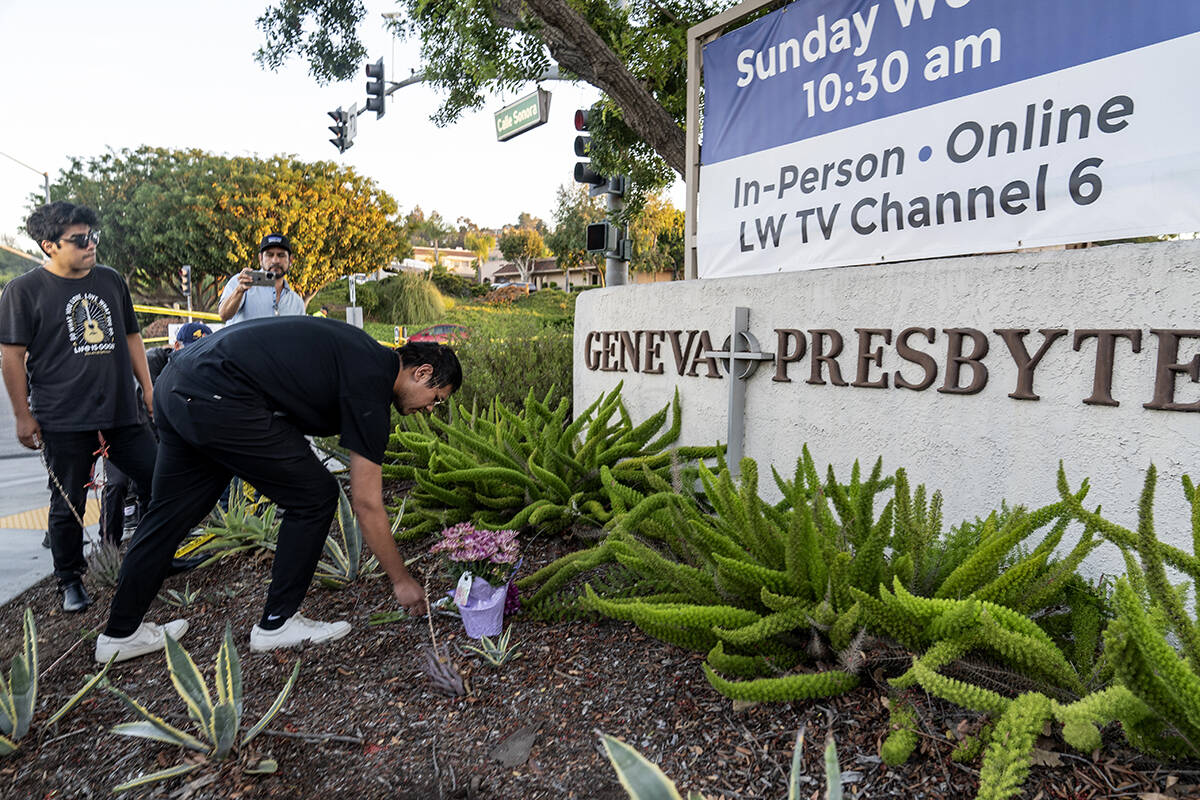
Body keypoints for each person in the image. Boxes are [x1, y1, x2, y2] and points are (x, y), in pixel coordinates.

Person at [95, 316, 462, 662]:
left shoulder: (360, 355)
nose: (431, 409)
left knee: (168, 515)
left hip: (180, 380)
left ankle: (120, 635)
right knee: (315, 495)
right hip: (216, 394)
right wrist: (401, 580)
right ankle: (278, 623)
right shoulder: (372, 381)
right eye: (437, 398)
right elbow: (366, 503)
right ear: (422, 372)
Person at [0, 202, 157, 612]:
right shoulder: (24, 291)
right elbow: (11, 356)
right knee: (67, 501)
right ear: (48, 245)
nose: (91, 245)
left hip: (123, 411)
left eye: (93, 236)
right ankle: (69, 580)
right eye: (80, 239)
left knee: (158, 478)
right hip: (64, 416)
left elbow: (131, 336)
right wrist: (22, 414)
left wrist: (149, 389)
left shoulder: (110, 280)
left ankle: (157, 555)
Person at [100, 321, 212, 544]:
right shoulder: (153, 362)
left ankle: (151, 542)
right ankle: (108, 546)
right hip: (124, 426)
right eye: (190, 349)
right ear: (176, 345)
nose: (195, 356)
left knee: (157, 484)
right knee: (117, 483)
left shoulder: (199, 370)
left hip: (156, 431)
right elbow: (145, 406)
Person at [217, 233, 305, 324]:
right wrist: (239, 290)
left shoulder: (297, 303)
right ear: (260, 259)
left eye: (281, 255)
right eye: (269, 255)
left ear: (290, 260)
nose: (275, 260)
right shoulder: (242, 282)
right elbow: (223, 315)